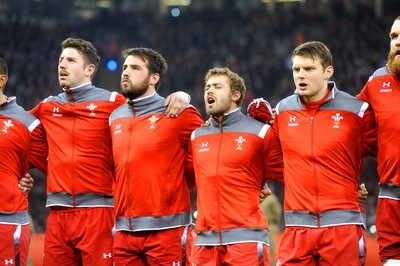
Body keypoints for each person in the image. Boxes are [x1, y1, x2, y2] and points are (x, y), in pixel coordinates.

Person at [29, 38, 191, 265]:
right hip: (57, 210)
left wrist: (183, 96)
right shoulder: (47, 106)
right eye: (61, 60)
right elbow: (16, 134)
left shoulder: (114, 104)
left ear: (89, 69)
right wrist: (23, 170)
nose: (62, 65)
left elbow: (149, 106)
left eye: (71, 60)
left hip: (101, 209)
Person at [249, 41, 377, 265]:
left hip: (342, 226)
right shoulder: (282, 111)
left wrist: (352, 185)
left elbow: (386, 152)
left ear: (328, 71)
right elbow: (273, 159)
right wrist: (259, 181)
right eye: (296, 69)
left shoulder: (356, 111)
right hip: (297, 228)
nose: (301, 75)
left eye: (309, 69)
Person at [109, 47, 204, 265]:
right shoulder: (114, 117)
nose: (126, 72)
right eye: (125, 67)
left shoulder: (179, 112)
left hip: (168, 230)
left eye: (135, 68)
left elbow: (210, 152)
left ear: (154, 78)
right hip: (124, 231)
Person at [185, 67, 284, 265]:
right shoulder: (196, 136)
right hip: (205, 242)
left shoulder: (262, 132)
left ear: (235, 95)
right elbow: (186, 180)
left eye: (217, 86)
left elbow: (293, 171)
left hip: (246, 239)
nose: (209, 91)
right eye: (207, 87)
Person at [357, 16, 400, 265]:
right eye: (393, 37)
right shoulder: (376, 81)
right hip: (391, 198)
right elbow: (346, 122)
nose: (397, 42)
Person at [0, 57, 47, 266]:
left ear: (2, 80)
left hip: (6, 223)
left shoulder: (26, 123)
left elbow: (57, 164)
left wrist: (19, 176)